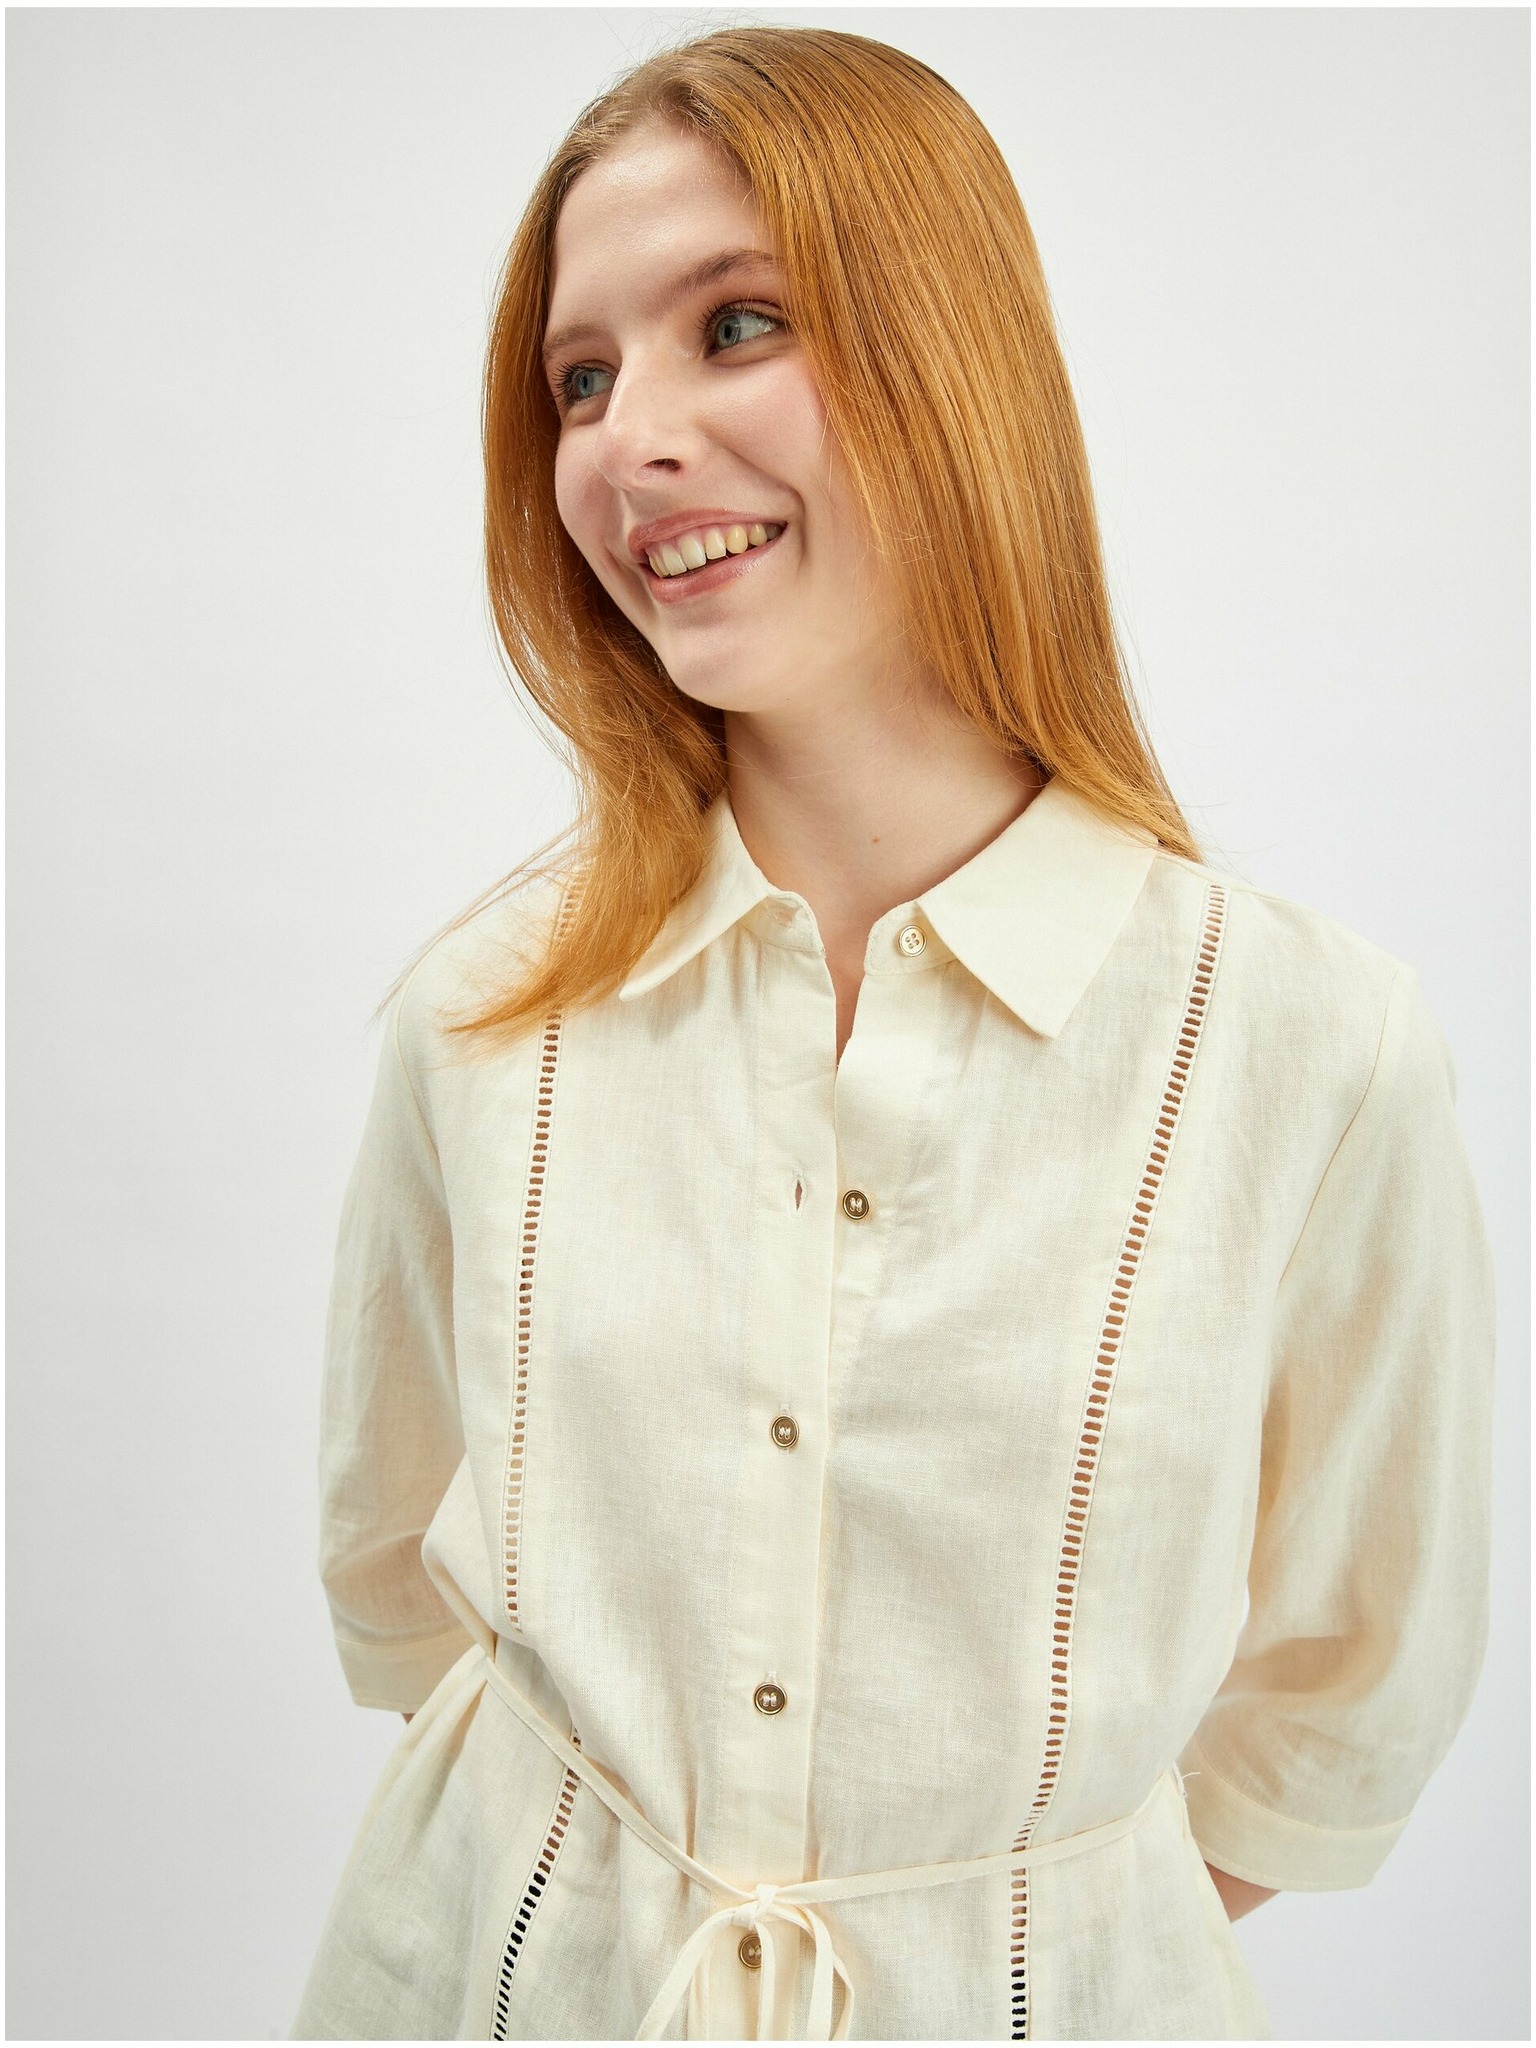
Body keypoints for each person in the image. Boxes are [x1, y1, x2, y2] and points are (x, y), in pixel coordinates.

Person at [291, 26, 1496, 2043]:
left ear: (955, 354)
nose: (626, 441)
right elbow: (389, 1564)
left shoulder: (1310, 1045)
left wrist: (996, 1930)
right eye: (579, 379)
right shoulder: (483, 1019)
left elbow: (1349, 1684)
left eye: (734, 324)